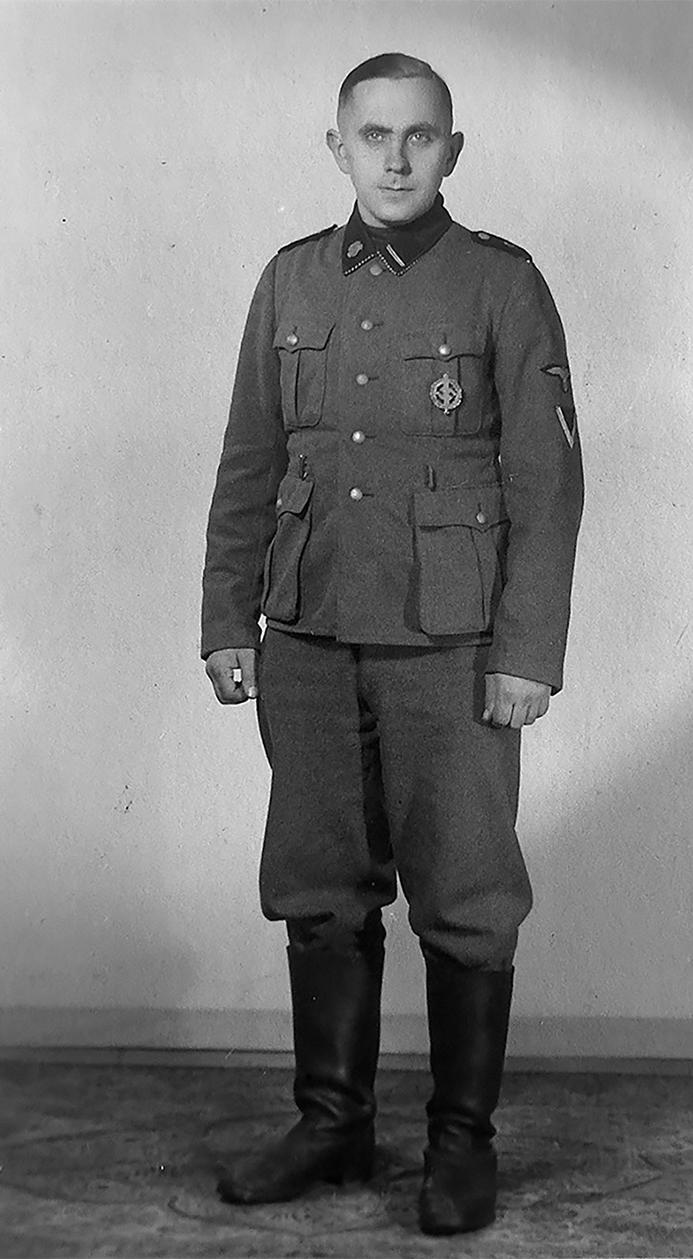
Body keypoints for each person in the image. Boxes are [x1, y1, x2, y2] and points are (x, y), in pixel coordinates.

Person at [201, 52, 583, 1236]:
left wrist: (526, 650)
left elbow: (549, 480)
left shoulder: (499, 286)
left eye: (421, 136)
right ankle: (334, 1122)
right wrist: (227, 617)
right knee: (318, 884)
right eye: (374, 136)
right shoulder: (289, 281)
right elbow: (250, 464)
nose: (398, 156)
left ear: (453, 152)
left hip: (450, 649)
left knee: (466, 893)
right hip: (309, 638)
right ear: (338, 148)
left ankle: (461, 1145)